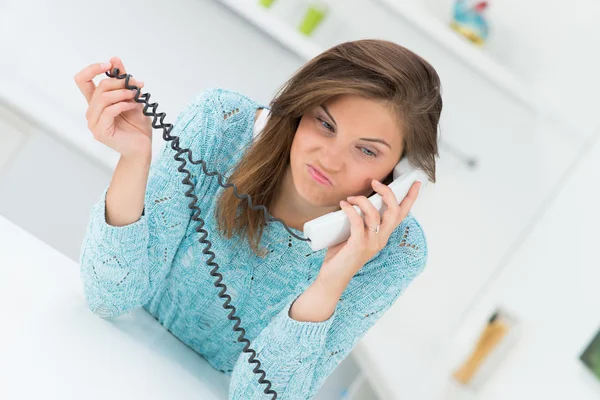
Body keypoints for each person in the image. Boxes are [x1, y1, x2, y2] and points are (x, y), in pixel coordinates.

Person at [74, 38, 442, 399]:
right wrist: (135, 159)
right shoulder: (220, 126)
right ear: (298, 111)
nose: (329, 160)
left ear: (401, 171)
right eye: (325, 125)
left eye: (366, 150)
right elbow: (109, 296)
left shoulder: (396, 252)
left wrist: (332, 279)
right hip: (110, 357)